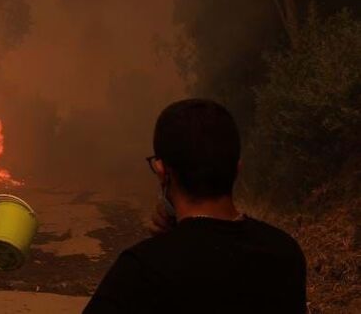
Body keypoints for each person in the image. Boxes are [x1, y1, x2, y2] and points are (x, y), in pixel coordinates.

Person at [84, 98, 307, 314]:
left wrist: (169, 245)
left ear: (162, 172)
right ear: (237, 169)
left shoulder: (141, 270)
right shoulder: (285, 254)